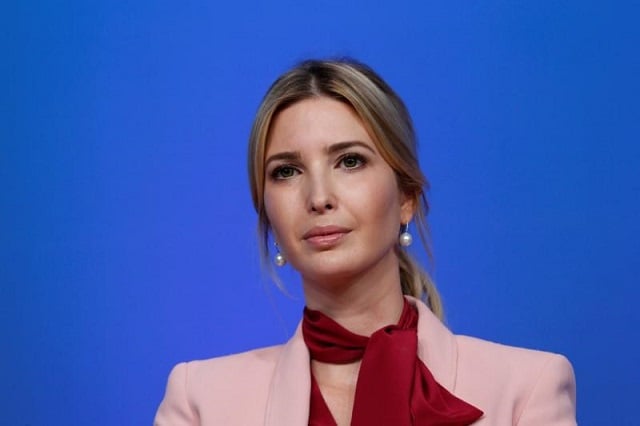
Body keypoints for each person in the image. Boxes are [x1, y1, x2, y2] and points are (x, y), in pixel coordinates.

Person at [154, 58, 576, 425]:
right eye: (286, 171)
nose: (319, 198)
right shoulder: (200, 400)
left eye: (350, 161)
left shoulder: (526, 387)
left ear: (406, 198)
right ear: (267, 216)